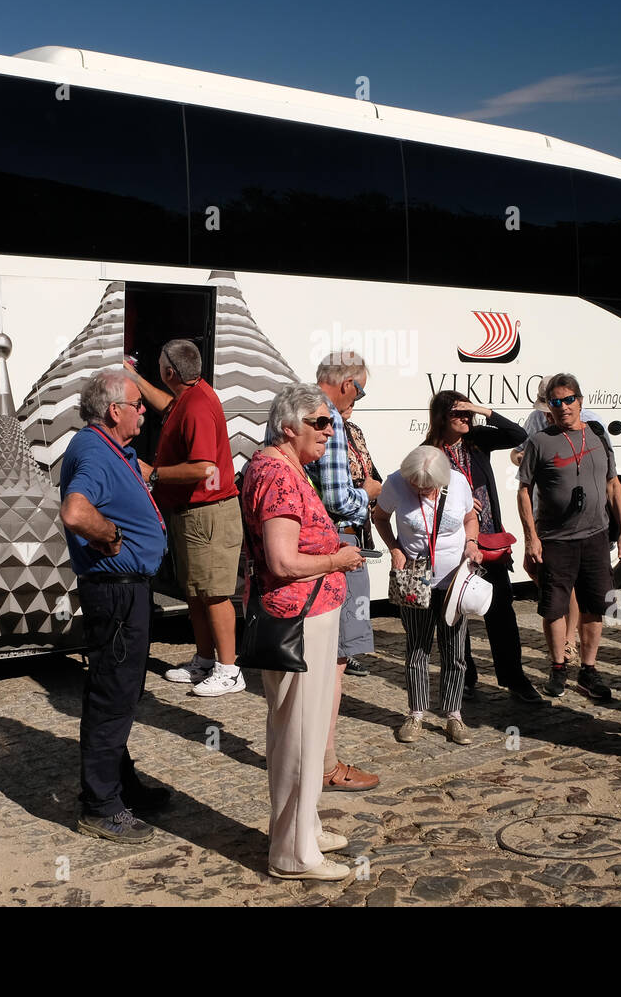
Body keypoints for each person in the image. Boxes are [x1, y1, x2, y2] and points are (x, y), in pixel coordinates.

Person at [243, 383, 364, 881]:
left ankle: (303, 828)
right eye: (319, 422)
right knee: (298, 733)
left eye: (331, 422)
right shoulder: (276, 473)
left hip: (310, 611)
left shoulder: (290, 468)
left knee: (305, 731)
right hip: (298, 616)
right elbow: (282, 559)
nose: (329, 430)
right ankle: (292, 853)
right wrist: (338, 558)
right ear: (287, 426)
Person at [59, 368, 170, 842]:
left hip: (126, 589)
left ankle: (119, 786)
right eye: (137, 404)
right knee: (112, 695)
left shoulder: (109, 449)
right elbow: (76, 510)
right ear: (114, 411)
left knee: (119, 691)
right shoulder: (93, 451)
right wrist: (110, 534)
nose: (144, 410)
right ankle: (100, 805)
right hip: (117, 590)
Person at [129, 340, 245, 697]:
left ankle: (229, 671)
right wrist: (132, 377)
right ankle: (206, 661)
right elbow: (169, 407)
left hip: (207, 513)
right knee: (196, 592)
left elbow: (204, 467)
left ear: (169, 373)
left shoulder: (195, 407)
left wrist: (154, 474)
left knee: (214, 594)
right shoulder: (190, 396)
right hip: (195, 513)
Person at [517, 373, 621, 700]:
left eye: (569, 400)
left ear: (580, 401)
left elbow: (614, 484)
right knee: (553, 607)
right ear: (548, 408)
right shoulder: (540, 441)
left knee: (595, 604)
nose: (564, 407)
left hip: (596, 536)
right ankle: (557, 669)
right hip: (555, 538)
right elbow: (524, 491)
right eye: (556, 402)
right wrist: (531, 537)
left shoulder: (597, 434)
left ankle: (589, 671)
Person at [425, 390, 539, 702]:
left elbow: (519, 433)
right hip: (453, 545)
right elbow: (421, 496)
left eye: (466, 413)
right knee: (455, 613)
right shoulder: (429, 452)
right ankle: (465, 676)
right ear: (440, 418)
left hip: (488, 540)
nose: (464, 418)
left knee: (501, 610)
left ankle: (514, 679)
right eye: (457, 413)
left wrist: (479, 408)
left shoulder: (478, 441)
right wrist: (455, 500)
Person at [305, 351, 381, 793]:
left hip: (314, 547)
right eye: (363, 389)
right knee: (335, 661)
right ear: (349, 384)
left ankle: (316, 758)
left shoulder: (296, 410)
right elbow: (337, 499)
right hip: (339, 544)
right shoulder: (326, 418)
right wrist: (369, 493)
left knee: (321, 659)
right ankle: (326, 763)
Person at [373, 446, 482, 743]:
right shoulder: (395, 483)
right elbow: (379, 517)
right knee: (417, 648)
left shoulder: (458, 483)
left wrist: (472, 543)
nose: (421, 491)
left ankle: (453, 715)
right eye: (416, 486)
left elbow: (470, 518)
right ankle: (416, 713)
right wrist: (395, 547)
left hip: (453, 580)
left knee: (454, 652)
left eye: (428, 487)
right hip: (415, 579)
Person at [513, 380, 612, 666]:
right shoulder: (537, 427)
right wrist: (522, 457)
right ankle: (562, 651)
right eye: (551, 405)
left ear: (578, 400)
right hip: (549, 524)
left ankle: (574, 646)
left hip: (590, 529)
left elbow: (610, 476)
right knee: (555, 595)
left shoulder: (594, 427)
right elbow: (520, 467)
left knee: (588, 596)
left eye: (564, 401)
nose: (556, 410)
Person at [342, 413, 382, 677]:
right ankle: (341, 652)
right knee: (342, 589)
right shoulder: (328, 432)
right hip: (343, 518)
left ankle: (348, 651)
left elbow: (369, 469)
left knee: (356, 591)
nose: (351, 407)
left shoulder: (354, 430)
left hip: (360, 520)